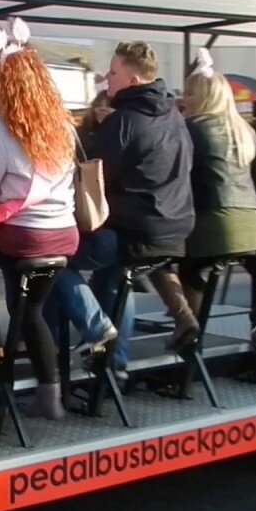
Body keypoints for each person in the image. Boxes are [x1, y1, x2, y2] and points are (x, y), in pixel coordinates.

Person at [0, 19, 77, 420]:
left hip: (24, 240)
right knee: (31, 311)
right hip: (64, 236)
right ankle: (49, 394)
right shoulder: (62, 126)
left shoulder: (0, 131)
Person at [90, 40, 198, 351]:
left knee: (91, 267)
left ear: (133, 80)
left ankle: (112, 359)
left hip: (138, 225)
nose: (106, 78)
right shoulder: (174, 115)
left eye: (112, 72)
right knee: (144, 258)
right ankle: (184, 316)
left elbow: (97, 176)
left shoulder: (123, 121)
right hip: (176, 222)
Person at [178, 48, 256, 317]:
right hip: (251, 223)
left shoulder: (190, 129)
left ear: (206, 97)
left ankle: (192, 329)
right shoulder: (244, 129)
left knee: (187, 270)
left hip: (213, 219)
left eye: (190, 93)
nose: (184, 99)